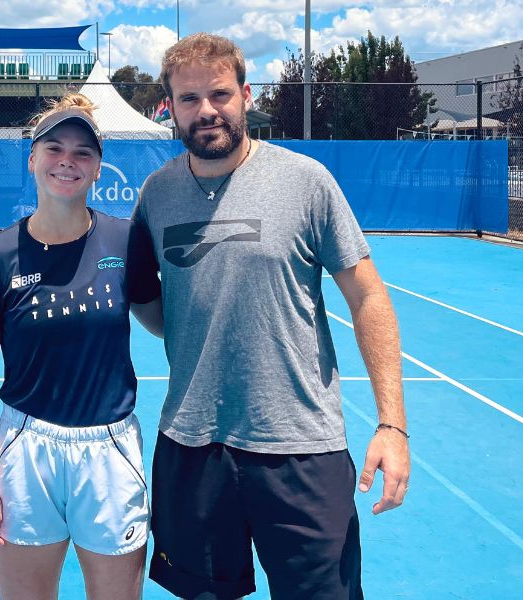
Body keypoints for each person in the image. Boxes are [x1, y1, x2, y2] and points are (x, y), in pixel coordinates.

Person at [132, 34, 411, 599]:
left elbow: (369, 298)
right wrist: (197, 332)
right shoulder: (156, 196)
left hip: (301, 448)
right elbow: (145, 298)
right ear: (170, 107)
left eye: (219, 93)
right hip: (193, 445)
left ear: (245, 95)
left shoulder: (306, 182)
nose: (206, 110)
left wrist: (392, 425)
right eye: (189, 99)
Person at [0, 93, 163, 600]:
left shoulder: (126, 240)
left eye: (82, 152)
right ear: (32, 158)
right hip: (24, 450)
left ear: (98, 168)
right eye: (54, 148)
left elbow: (166, 321)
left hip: (111, 449)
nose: (67, 161)